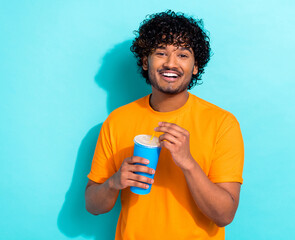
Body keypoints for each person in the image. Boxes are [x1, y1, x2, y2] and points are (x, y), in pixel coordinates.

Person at [85, 10, 244, 240]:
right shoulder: (118, 120)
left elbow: (225, 215)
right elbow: (92, 205)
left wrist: (188, 163)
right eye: (161, 53)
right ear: (145, 61)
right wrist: (113, 183)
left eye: (183, 55)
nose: (171, 63)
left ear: (195, 66)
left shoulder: (222, 124)